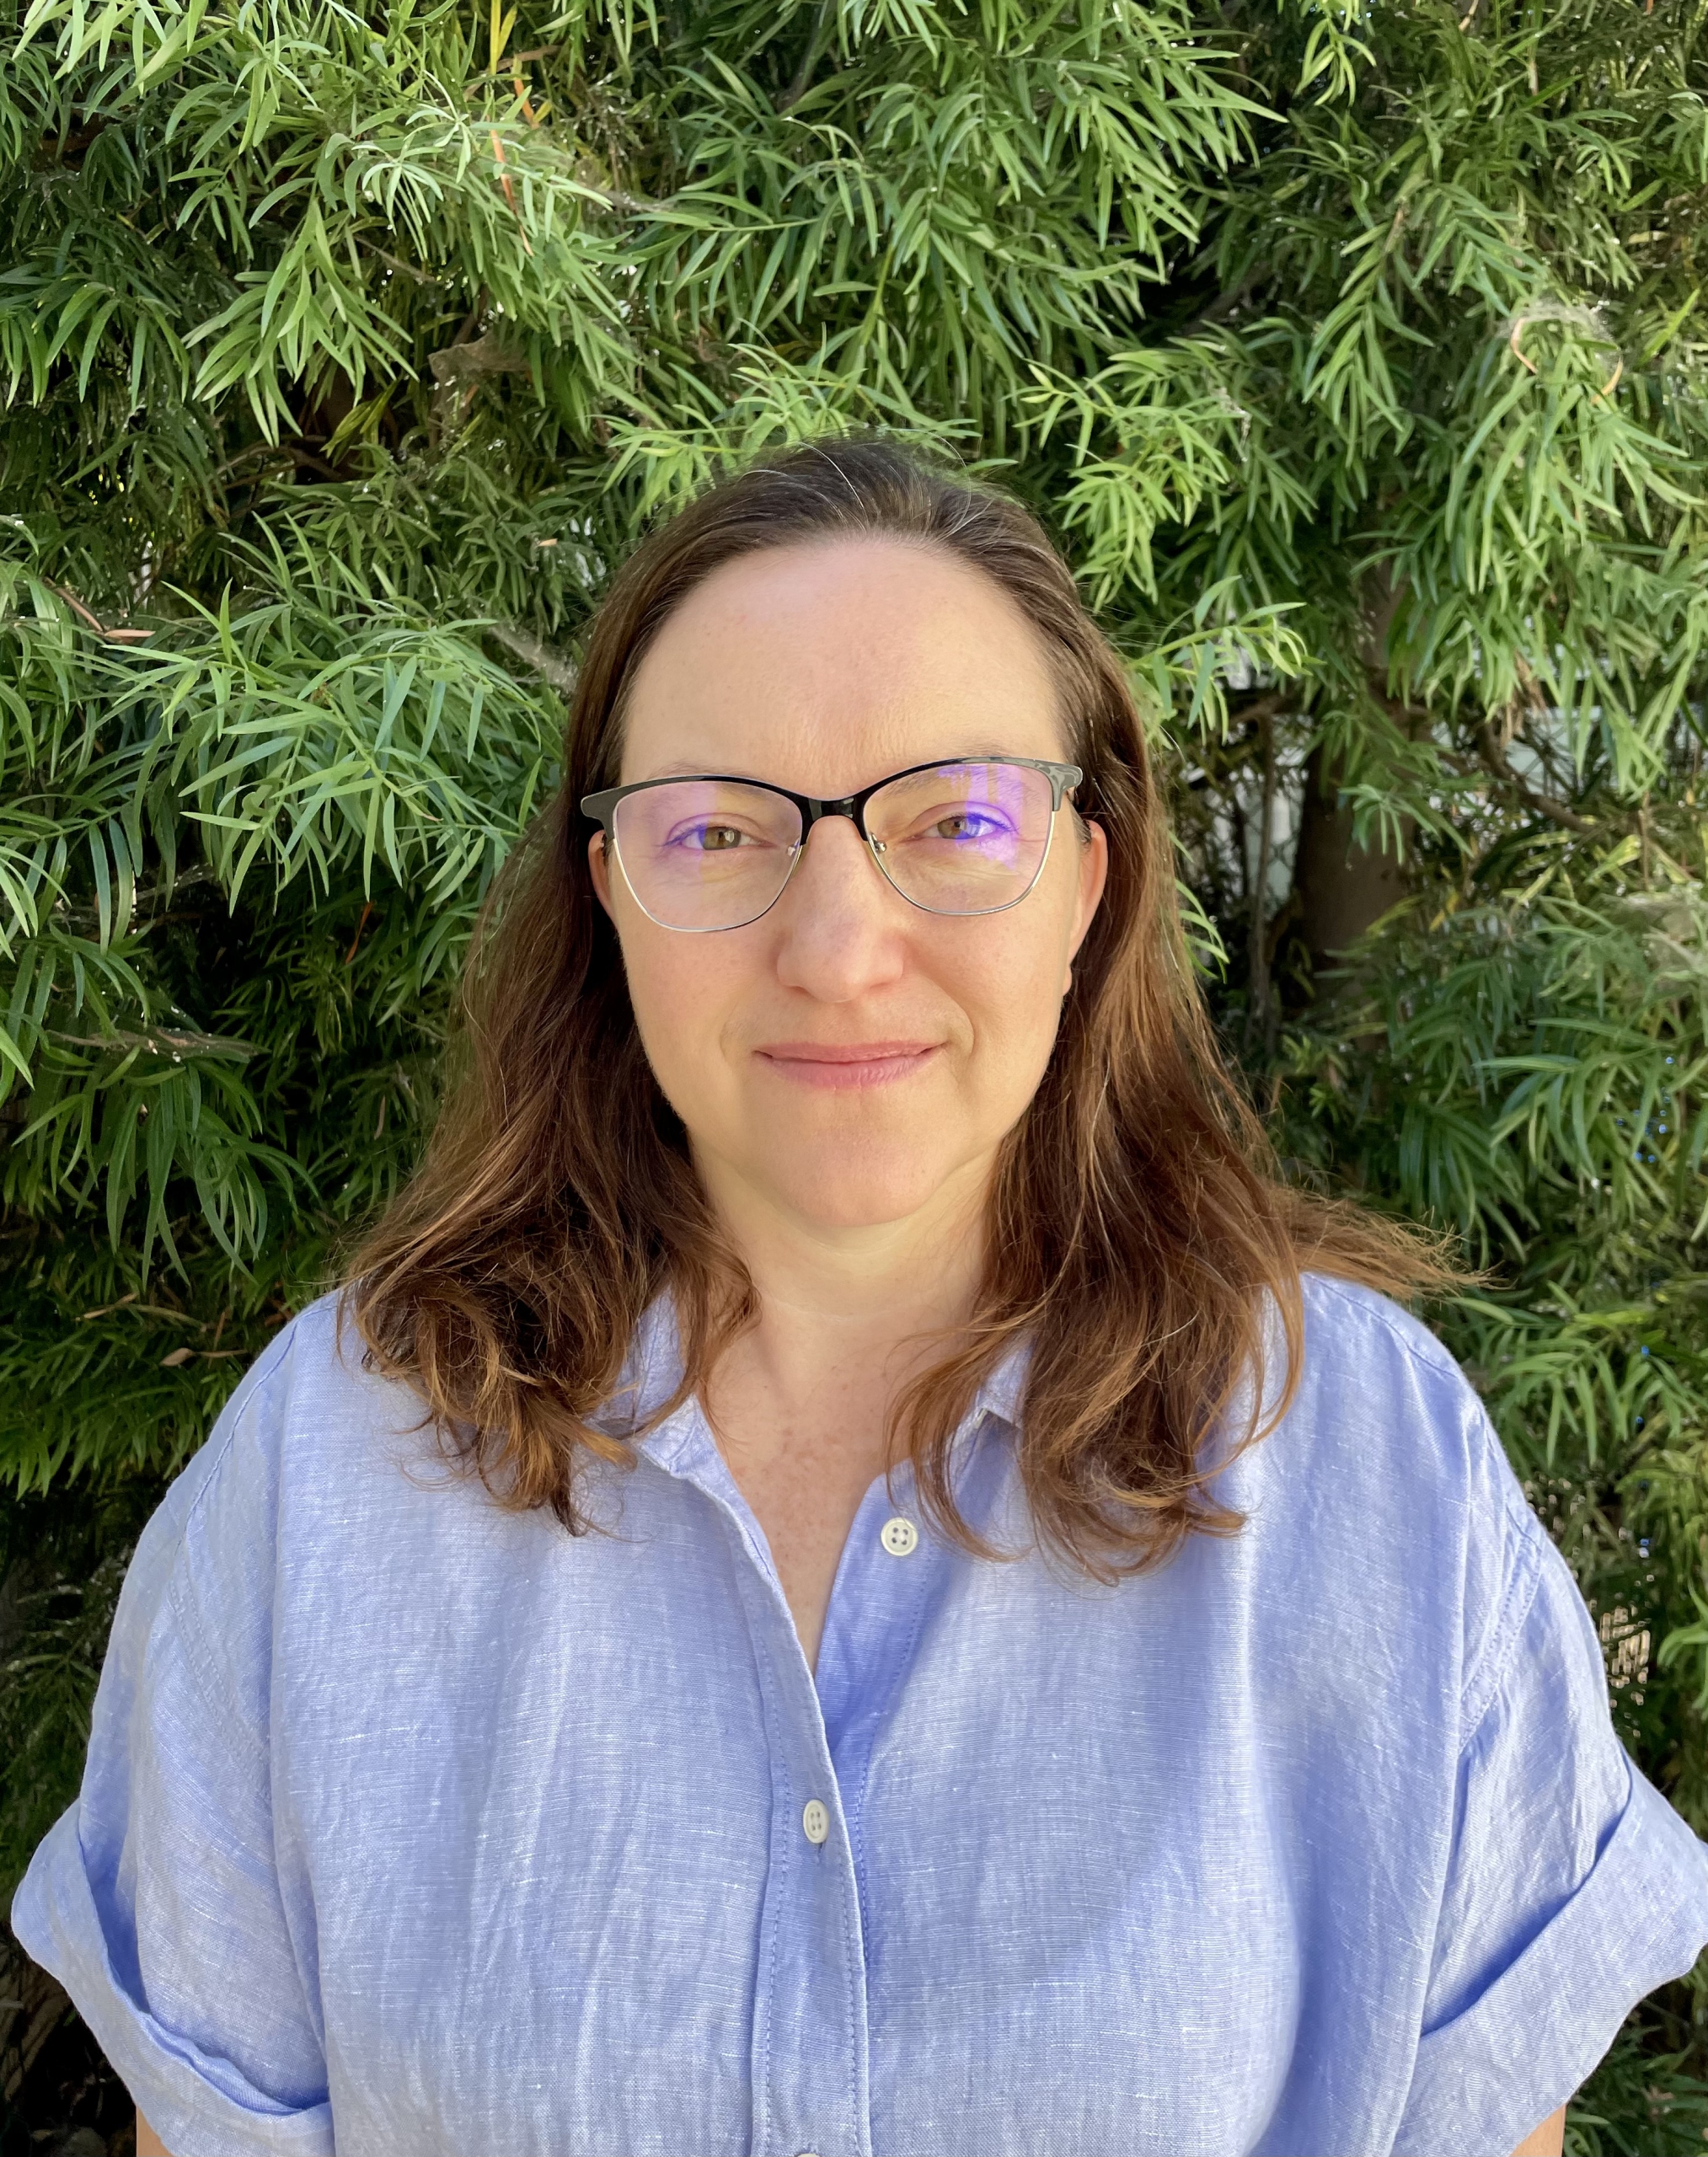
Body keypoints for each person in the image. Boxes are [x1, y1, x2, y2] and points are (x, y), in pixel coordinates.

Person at [13, 439, 1708, 2157]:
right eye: (718, 828)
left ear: (1086, 882)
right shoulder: (324, 1468)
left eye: (957, 821)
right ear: (611, 894)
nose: (835, 941)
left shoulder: (1373, 1464)